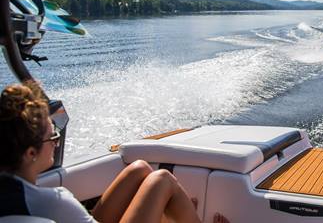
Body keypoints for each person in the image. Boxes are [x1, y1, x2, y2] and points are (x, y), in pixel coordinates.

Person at [0, 82, 228, 223]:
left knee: (139, 169)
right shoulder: (55, 201)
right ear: (30, 153)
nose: (57, 143)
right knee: (162, 180)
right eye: (53, 137)